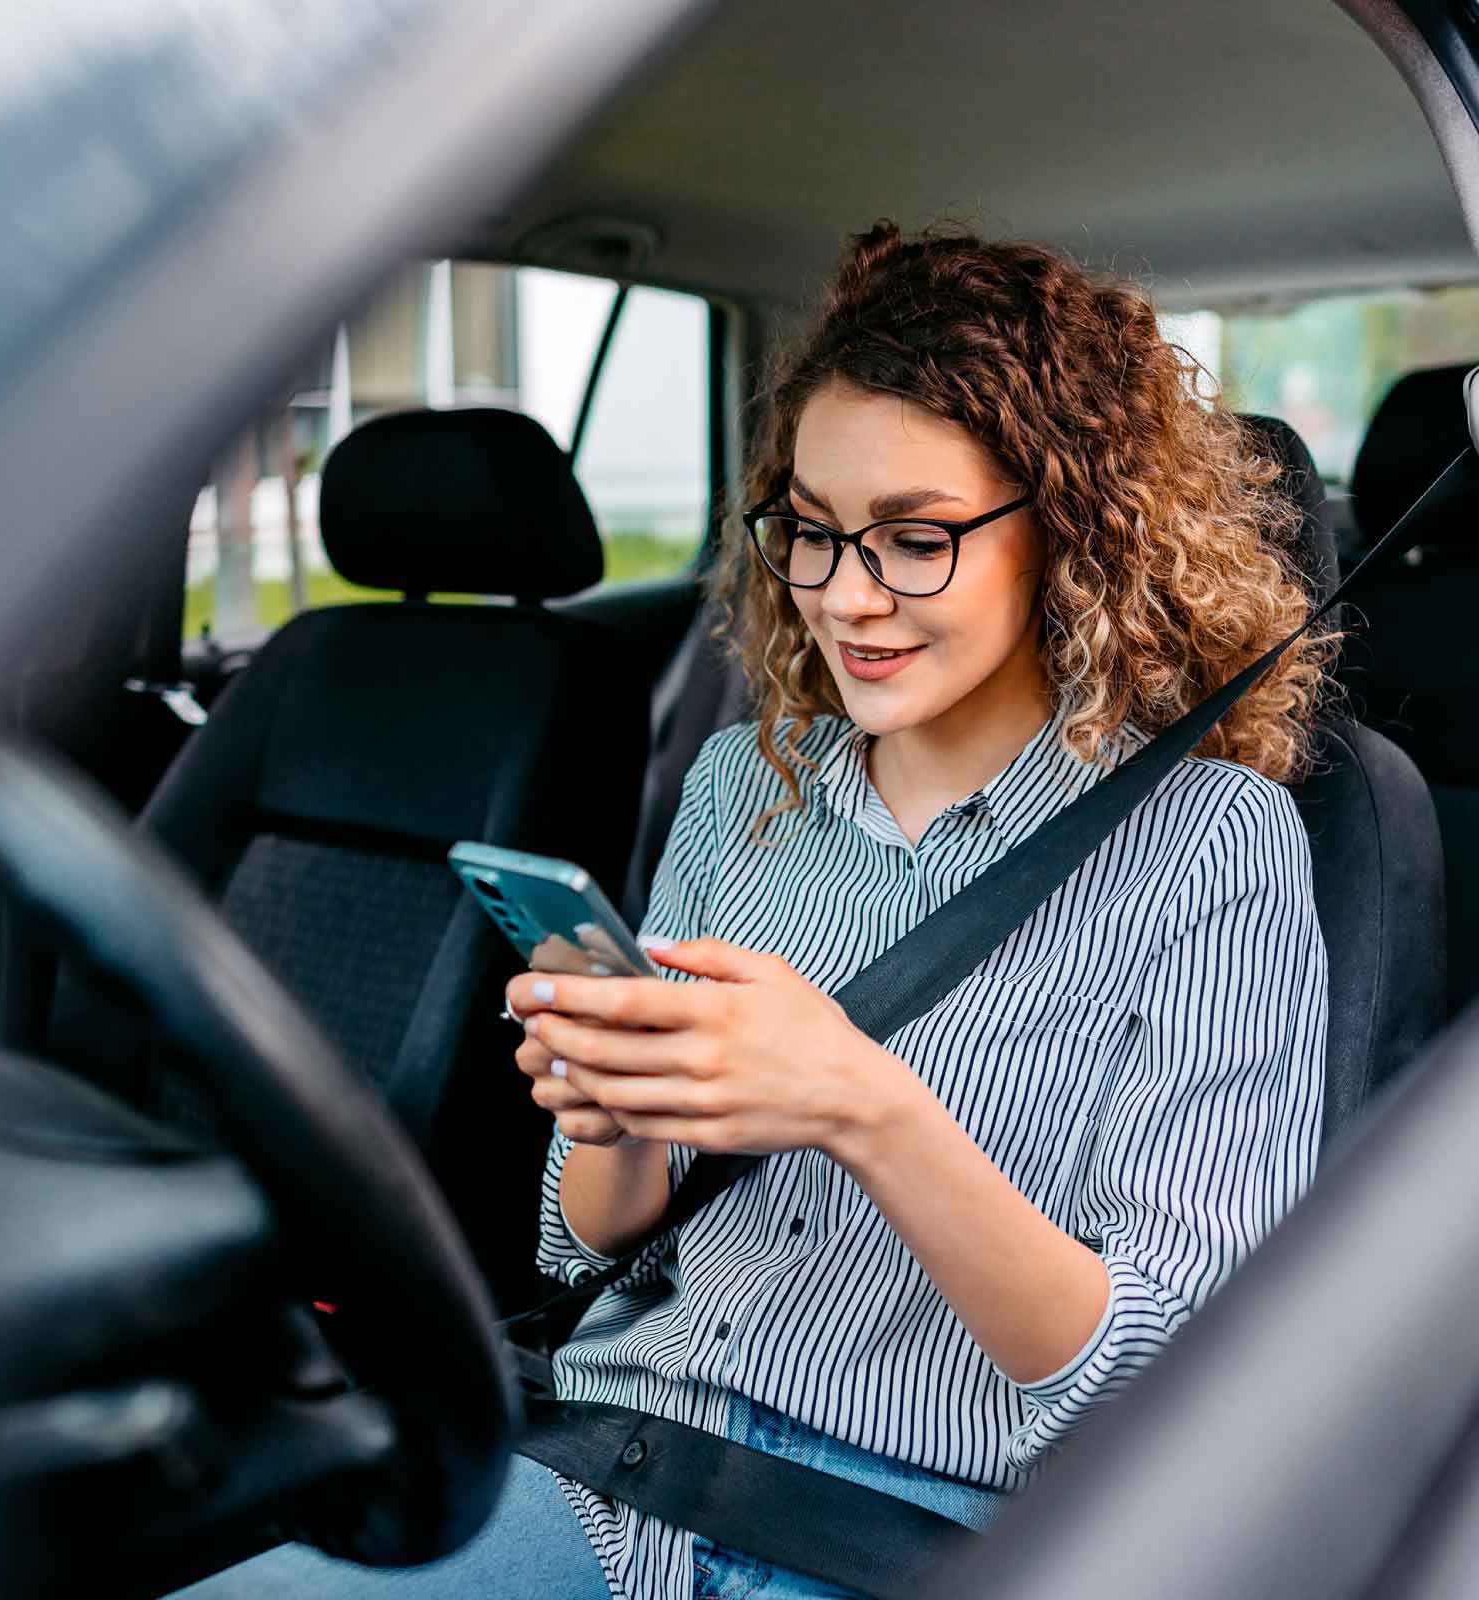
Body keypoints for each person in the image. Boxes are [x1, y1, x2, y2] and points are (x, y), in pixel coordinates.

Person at [167, 219, 1331, 1599]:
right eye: (814, 533)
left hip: (907, 1534)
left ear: (1066, 530)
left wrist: (865, 1107)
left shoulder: (1214, 845)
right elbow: (584, 1246)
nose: (847, 597)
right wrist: (613, 1113)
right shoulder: (739, 785)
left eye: (914, 539)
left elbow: (1174, 1384)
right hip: (608, 1473)